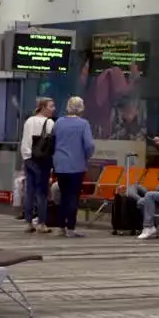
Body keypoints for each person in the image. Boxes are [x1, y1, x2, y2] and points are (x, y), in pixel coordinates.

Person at [52, 96, 95, 237]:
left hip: (60, 164)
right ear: (81, 107)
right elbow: (89, 145)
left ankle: (60, 226)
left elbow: (53, 140)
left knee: (63, 195)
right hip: (76, 165)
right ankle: (70, 227)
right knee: (73, 196)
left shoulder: (59, 122)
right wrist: (86, 156)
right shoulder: (83, 124)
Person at [19, 98, 55, 233]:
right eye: (51, 106)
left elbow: (25, 141)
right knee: (42, 192)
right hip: (42, 160)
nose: (53, 109)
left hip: (29, 158)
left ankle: (28, 222)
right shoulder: (50, 123)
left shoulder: (29, 121)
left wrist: (26, 157)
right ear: (43, 107)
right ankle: (41, 222)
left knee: (29, 191)